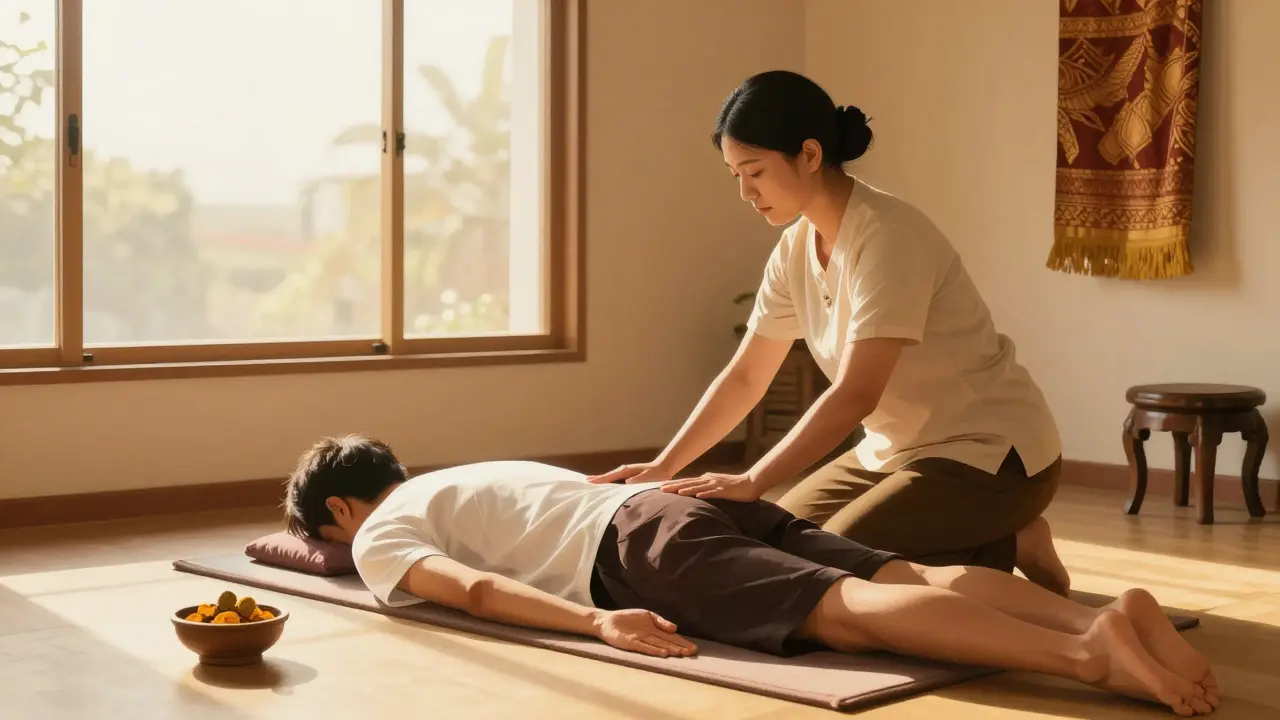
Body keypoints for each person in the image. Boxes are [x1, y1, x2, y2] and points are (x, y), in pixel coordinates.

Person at [283, 435, 1217, 716]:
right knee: (912, 570)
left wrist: (596, 622)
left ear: (339, 511)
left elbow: (477, 594)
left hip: (642, 547)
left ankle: (1090, 653)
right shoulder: (464, 471)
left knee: (846, 613)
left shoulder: (378, 533)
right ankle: (1090, 618)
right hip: (685, 501)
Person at [587, 69, 1069, 596]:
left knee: (828, 567)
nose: (746, 193)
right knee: (772, 545)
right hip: (892, 453)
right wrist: (665, 465)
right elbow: (748, 375)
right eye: (735, 176)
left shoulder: (890, 237)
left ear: (810, 155)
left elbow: (857, 394)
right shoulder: (796, 248)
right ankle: (992, 543)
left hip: (990, 455)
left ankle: (1013, 542)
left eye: (755, 172)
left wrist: (753, 480)